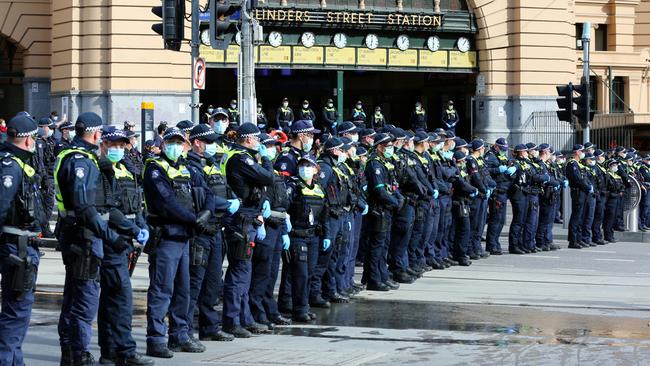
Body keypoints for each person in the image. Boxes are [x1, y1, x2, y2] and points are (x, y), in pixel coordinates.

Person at [55, 112, 123, 365]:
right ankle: (79, 354)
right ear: (96, 134)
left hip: (72, 231)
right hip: (84, 237)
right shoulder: (82, 160)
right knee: (84, 298)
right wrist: (110, 236)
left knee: (73, 294)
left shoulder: (69, 154)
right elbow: (85, 206)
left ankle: (69, 351)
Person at [142, 127, 209, 358]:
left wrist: (207, 213)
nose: (175, 146)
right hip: (166, 238)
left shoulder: (186, 167)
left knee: (183, 290)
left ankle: (179, 335)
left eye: (179, 142)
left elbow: (206, 191)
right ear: (162, 145)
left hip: (184, 237)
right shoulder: (154, 168)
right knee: (162, 290)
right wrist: (194, 219)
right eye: (171, 142)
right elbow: (166, 202)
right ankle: (156, 339)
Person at [95, 126, 154, 366]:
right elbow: (109, 208)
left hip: (128, 240)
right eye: (114, 145)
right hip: (113, 239)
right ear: (104, 145)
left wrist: (142, 226)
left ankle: (109, 351)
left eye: (122, 145)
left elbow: (136, 203)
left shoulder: (126, 169)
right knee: (121, 297)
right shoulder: (102, 170)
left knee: (112, 297)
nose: (119, 149)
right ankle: (124, 351)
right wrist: (133, 229)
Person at [220, 123, 275, 337]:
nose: (260, 144)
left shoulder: (237, 155)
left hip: (248, 216)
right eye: (258, 140)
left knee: (245, 271)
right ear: (249, 139)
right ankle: (232, 321)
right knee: (240, 272)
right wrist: (267, 160)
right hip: (241, 219)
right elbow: (267, 178)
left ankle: (245, 318)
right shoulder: (240, 158)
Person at [184, 124, 238, 342]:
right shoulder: (191, 166)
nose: (214, 146)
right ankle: (185, 330)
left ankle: (209, 327)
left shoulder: (212, 163)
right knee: (194, 282)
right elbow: (202, 197)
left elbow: (223, 188)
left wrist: (233, 200)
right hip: (200, 230)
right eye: (210, 142)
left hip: (216, 229)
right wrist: (226, 204)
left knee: (213, 282)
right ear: (197, 142)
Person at [0, 114, 44, 365]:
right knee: (16, 312)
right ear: (28, 140)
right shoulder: (10, 165)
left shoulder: (17, 163)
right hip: (17, 248)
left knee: (17, 311)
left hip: (21, 246)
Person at [248, 133, 293, 328]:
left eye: (274, 146)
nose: (273, 149)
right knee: (261, 273)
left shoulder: (274, 173)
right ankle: (257, 312)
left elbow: (282, 204)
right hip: (264, 227)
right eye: (268, 146)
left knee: (271, 274)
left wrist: (284, 229)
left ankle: (269, 310)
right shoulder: (259, 172)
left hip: (276, 227)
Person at [363, 133, 403, 291]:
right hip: (378, 209)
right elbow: (379, 191)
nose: (391, 149)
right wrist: (395, 202)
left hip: (387, 208)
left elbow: (392, 185)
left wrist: (398, 199)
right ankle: (373, 279)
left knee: (384, 245)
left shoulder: (386, 162)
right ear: (379, 147)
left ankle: (381, 275)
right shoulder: (374, 164)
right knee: (376, 246)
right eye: (388, 146)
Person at [451, 150, 479, 266]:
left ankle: (461, 253)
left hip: (465, 201)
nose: (463, 162)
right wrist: (473, 190)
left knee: (463, 229)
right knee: (463, 229)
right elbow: (461, 184)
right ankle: (460, 255)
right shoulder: (456, 171)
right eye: (461, 161)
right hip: (459, 202)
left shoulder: (462, 170)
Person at [566, 145, 591, 249]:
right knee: (576, 217)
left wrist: (588, 186)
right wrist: (587, 187)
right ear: (577, 152)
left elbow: (583, 178)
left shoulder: (578, 164)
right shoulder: (572, 164)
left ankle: (578, 239)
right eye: (582, 151)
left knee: (580, 216)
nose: (583, 153)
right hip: (578, 192)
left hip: (582, 192)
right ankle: (573, 240)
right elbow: (577, 179)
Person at [507, 144, 531, 254]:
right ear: (521, 152)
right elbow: (514, 168)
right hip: (517, 193)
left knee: (522, 220)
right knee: (518, 220)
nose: (528, 153)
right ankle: (513, 245)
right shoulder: (514, 162)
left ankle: (520, 243)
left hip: (524, 192)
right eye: (526, 151)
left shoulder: (525, 162)